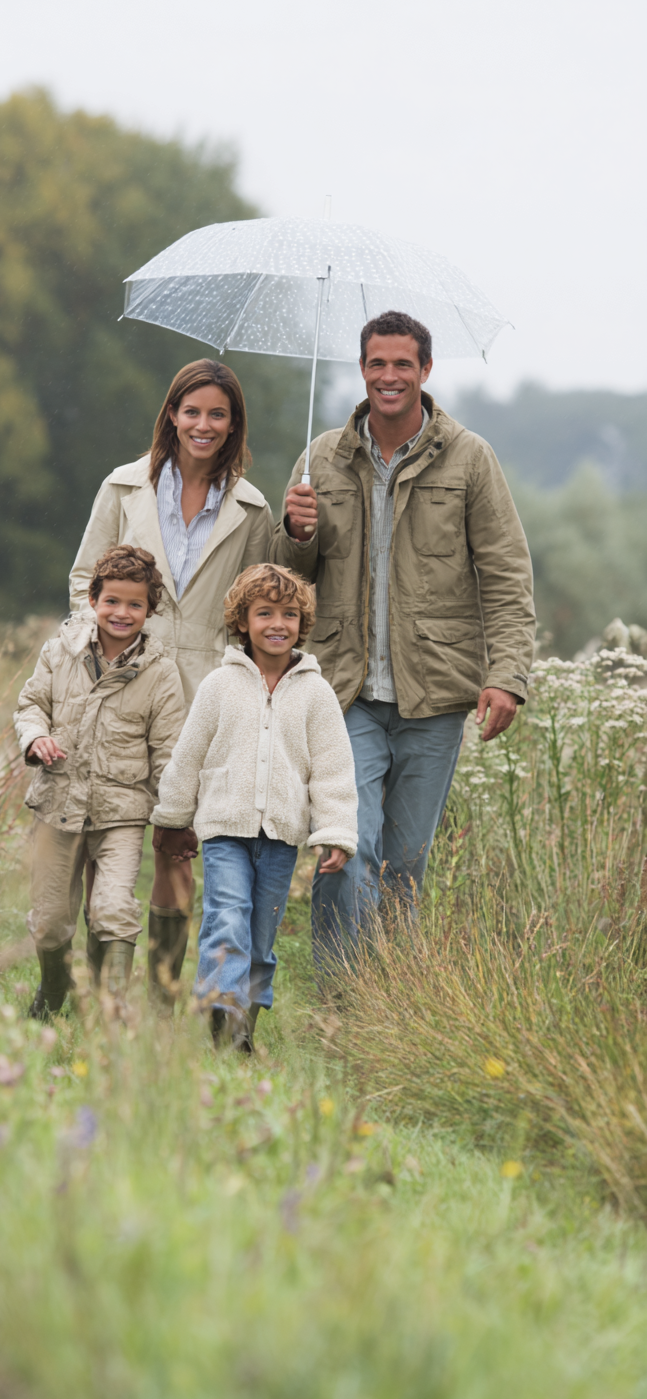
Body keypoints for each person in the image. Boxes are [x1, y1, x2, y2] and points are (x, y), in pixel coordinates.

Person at [270, 309, 536, 970]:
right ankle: (340, 995)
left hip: (436, 693)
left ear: (425, 370)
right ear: (362, 370)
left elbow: (505, 574)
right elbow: (287, 582)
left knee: (403, 866)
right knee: (345, 843)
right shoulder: (321, 457)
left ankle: (394, 999)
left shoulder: (471, 458)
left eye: (403, 364)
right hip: (344, 688)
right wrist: (295, 533)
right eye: (377, 363)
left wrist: (507, 674)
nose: (390, 376)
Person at [69, 361, 274, 1008]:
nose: (204, 425)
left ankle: (159, 999)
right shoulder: (123, 488)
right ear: (172, 415)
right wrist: (101, 649)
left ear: (233, 423)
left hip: (208, 698)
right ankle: (105, 991)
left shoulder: (253, 509)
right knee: (113, 835)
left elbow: (260, 609)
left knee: (176, 845)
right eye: (192, 412)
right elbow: (84, 581)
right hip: (126, 688)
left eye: (218, 414)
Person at [151, 564, 358, 1051]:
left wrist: (336, 832)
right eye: (264, 613)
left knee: (261, 935)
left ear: (301, 624)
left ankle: (244, 1023)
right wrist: (173, 819)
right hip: (225, 830)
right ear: (242, 620)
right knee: (227, 915)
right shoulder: (219, 686)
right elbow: (189, 755)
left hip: (282, 837)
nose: (277, 624)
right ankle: (219, 1013)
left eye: (289, 614)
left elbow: (332, 769)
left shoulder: (315, 692)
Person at [14, 546, 185, 1018]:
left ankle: (110, 1008)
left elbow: (169, 753)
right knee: (50, 920)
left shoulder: (161, 673)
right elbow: (31, 705)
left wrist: (176, 816)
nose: (122, 613)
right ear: (92, 599)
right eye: (112, 601)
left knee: (112, 908)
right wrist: (37, 738)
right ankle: (52, 992)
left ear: (150, 611)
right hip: (57, 803)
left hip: (121, 813)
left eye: (135, 604)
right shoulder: (60, 651)